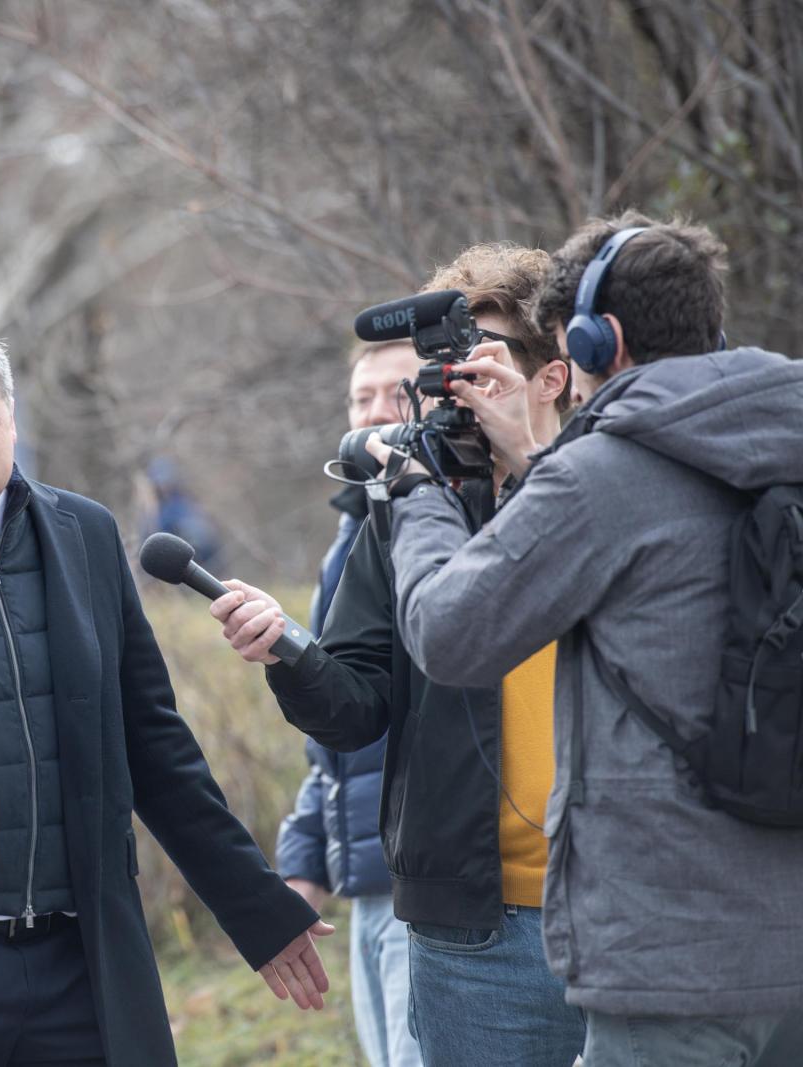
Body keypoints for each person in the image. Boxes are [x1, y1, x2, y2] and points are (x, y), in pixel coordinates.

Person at [0, 323, 332, 1067]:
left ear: (12, 419)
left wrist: (256, 906)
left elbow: (154, 746)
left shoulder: (84, 533)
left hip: (83, 957)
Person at [373, 213, 803, 1066]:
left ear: (595, 339)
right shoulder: (776, 444)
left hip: (668, 960)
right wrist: (537, 459)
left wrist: (422, 492)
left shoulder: (603, 473)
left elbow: (449, 633)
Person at [211, 245, 584, 1067]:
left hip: (624, 914)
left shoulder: (613, 484)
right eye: (443, 373)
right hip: (473, 935)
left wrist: (530, 468)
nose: (455, 391)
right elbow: (354, 708)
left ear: (552, 376)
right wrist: (289, 653)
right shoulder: (415, 506)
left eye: (479, 366)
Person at [275, 340, 422, 1067]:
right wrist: (305, 860)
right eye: (359, 397)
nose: (372, 413)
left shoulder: (435, 520)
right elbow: (338, 731)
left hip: (425, 887)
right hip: (365, 884)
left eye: (397, 393)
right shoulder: (353, 527)